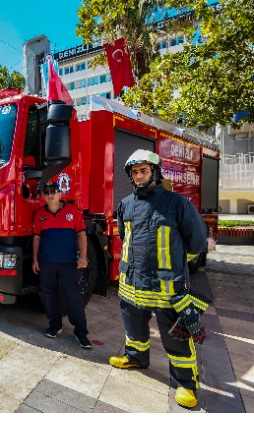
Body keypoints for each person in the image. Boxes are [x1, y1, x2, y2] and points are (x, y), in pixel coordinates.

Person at [110, 149, 208, 409]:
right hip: (132, 285)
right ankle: (136, 358)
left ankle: (186, 384)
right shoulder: (125, 205)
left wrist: (174, 265)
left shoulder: (177, 204)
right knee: (134, 328)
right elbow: (124, 236)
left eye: (143, 170)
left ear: (155, 171)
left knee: (175, 337)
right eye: (134, 172)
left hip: (168, 288)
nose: (139, 176)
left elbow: (197, 242)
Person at [32, 180, 92, 349]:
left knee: (73, 296)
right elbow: (36, 237)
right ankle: (54, 325)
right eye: (47, 193)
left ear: (60, 194)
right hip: (46, 262)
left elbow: (81, 234)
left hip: (68, 263)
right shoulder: (39, 214)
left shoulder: (72, 211)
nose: (50, 195)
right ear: (43, 196)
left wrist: (83, 257)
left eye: (53, 192)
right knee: (49, 295)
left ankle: (81, 332)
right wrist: (35, 260)